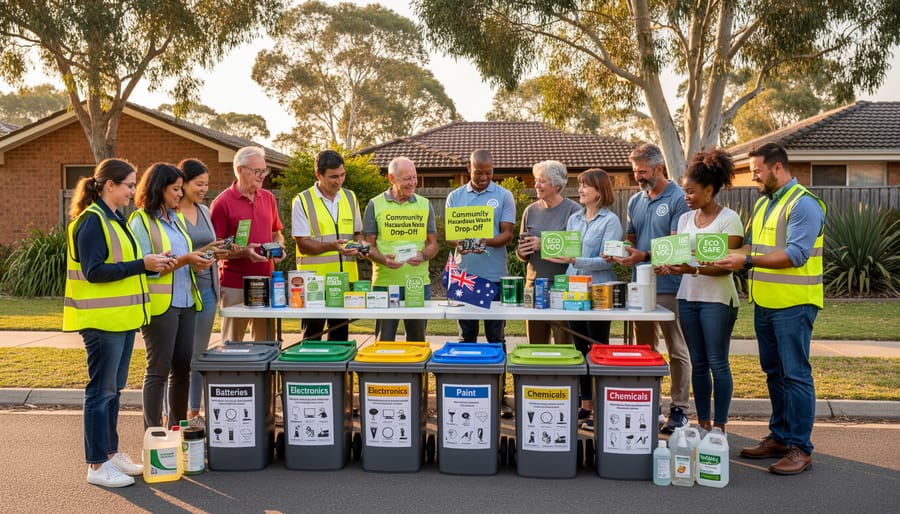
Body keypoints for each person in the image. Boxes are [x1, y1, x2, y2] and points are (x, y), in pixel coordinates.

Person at [714, 142, 825, 475]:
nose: (754, 178)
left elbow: (796, 255)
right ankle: (779, 437)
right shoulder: (765, 204)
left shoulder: (803, 204)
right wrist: (719, 255)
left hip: (794, 305)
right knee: (774, 373)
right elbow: (751, 246)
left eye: (757, 172)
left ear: (778, 168)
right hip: (765, 304)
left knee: (796, 375)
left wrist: (745, 259)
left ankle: (800, 448)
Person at [63, 158, 175, 487]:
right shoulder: (92, 221)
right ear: (109, 185)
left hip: (121, 320)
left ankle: (110, 455)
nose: (132, 191)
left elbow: (121, 264)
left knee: (113, 391)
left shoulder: (114, 218)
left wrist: (148, 264)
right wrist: (142, 264)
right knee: (101, 392)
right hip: (101, 322)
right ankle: (97, 465)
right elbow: (94, 272)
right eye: (128, 184)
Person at [656, 150, 743, 435]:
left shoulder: (729, 219)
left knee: (718, 361)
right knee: (699, 362)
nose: (687, 197)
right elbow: (680, 258)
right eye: (684, 191)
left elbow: (726, 266)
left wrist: (690, 269)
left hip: (717, 300)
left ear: (709, 190)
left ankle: (720, 425)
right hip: (688, 297)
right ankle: (703, 422)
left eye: (692, 191)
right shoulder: (684, 220)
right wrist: (668, 267)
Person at [611, 143, 691, 434]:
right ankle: (651, 403)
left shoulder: (679, 199)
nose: (638, 177)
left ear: (659, 168)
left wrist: (641, 255)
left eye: (642, 171)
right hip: (639, 287)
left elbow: (673, 247)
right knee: (643, 349)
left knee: (676, 348)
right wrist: (622, 251)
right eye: (635, 172)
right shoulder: (635, 201)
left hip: (670, 285)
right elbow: (632, 238)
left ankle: (680, 409)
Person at [130, 163, 212, 430]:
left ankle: (176, 428)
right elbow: (148, 268)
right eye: (175, 188)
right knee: (158, 369)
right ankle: (153, 432)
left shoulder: (175, 219)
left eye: (180, 188)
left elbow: (181, 257)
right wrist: (186, 259)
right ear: (159, 188)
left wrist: (195, 260)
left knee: (182, 368)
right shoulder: (140, 221)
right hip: (160, 305)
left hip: (186, 301)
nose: (180, 193)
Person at [546, 168, 622, 430]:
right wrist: (561, 258)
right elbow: (568, 254)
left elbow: (606, 261)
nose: (579, 190)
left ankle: (600, 408)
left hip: (598, 294)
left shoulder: (610, 222)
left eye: (585, 186)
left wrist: (574, 260)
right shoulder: (575, 219)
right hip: (573, 291)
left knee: (598, 349)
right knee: (580, 349)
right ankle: (585, 404)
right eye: (579, 185)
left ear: (599, 192)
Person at [445, 149, 516, 417]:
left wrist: (484, 241)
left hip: (494, 275)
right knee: (467, 337)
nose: (485, 177)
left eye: (489, 172)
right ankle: (468, 393)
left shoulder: (503, 196)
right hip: (465, 276)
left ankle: (498, 397)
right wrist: (461, 243)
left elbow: (507, 234)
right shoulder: (455, 196)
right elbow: (451, 236)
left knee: (495, 338)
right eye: (479, 172)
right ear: (468, 169)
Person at [210, 146, 285, 342]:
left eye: (264, 171)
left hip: (266, 281)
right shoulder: (222, 203)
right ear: (240, 169)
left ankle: (264, 375)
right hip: (235, 285)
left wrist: (280, 247)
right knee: (232, 346)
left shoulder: (268, 198)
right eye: (257, 171)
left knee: (266, 344)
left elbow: (277, 233)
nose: (262, 176)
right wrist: (245, 252)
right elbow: (215, 251)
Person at [363, 156, 439, 341]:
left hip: (418, 284)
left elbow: (433, 244)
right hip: (385, 284)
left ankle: (414, 371)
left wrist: (422, 255)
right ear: (392, 178)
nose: (413, 183)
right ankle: (383, 371)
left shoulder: (425, 204)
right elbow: (368, 246)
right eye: (407, 178)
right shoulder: (375, 205)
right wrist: (383, 260)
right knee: (384, 340)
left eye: (414, 177)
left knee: (417, 341)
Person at [292, 149, 364, 341]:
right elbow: (303, 245)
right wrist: (334, 246)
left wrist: (361, 246)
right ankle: (308, 372)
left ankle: (338, 373)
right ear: (318, 175)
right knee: (312, 339)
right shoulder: (302, 201)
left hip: (345, 282)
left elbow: (357, 233)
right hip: (314, 283)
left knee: (340, 339)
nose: (339, 181)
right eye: (333, 177)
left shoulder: (350, 197)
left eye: (342, 175)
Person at [177, 158, 224, 427]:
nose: (204, 188)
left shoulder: (204, 211)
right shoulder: (171, 213)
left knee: (198, 355)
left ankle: (195, 412)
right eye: (199, 184)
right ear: (182, 183)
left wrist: (219, 249)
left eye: (207, 184)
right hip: (183, 290)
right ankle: (174, 413)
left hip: (207, 290)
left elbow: (208, 248)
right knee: (180, 357)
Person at [515, 160, 581, 345]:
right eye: (537, 180)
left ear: (557, 184)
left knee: (563, 345)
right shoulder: (530, 211)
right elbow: (523, 253)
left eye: (542, 181)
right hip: (533, 286)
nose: (537, 185)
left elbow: (577, 250)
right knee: (535, 345)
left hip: (562, 288)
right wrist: (521, 251)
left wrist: (543, 244)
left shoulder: (574, 212)